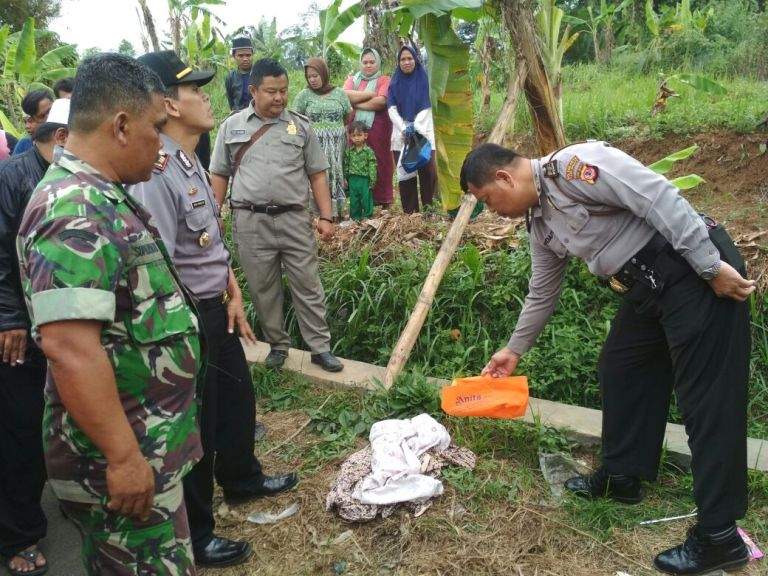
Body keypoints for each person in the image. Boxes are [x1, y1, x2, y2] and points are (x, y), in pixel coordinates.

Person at [460, 141, 755, 576]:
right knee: (622, 367)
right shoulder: (540, 223)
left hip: (693, 270)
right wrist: (513, 349)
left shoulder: (574, 168)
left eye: (487, 200)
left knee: (707, 402)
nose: (492, 211)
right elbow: (542, 291)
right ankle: (622, 478)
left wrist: (709, 265)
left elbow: (657, 195)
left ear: (503, 178)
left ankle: (719, 536)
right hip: (648, 288)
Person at [17, 53, 203, 576]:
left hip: (146, 449)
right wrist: (123, 458)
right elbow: (69, 348)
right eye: (156, 128)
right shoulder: (73, 209)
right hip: (119, 463)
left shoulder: (101, 195)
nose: (161, 142)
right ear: (121, 126)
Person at [131, 50, 298, 568]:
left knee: (235, 401)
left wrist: (232, 291)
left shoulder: (187, 158)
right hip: (186, 316)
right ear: (167, 104)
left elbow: (203, 242)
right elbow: (157, 258)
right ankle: (197, 533)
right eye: (194, 90)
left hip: (214, 306)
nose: (207, 96)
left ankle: (243, 479)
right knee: (196, 426)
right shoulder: (154, 169)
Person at [210, 58, 344, 373]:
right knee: (262, 287)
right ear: (253, 91)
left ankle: (319, 348)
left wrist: (326, 217)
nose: (279, 98)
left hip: (295, 219)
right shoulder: (232, 126)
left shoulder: (300, 126)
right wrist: (213, 216)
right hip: (250, 221)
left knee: (307, 284)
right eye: (271, 92)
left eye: (283, 91)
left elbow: (318, 174)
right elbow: (219, 174)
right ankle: (278, 346)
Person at [0, 98, 69, 576]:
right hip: (22, 328)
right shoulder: (17, 176)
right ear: (61, 137)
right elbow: (4, 253)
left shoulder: (71, 178)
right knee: (22, 431)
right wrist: (9, 320)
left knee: (56, 424)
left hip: (60, 326)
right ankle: (19, 533)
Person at [293, 57, 352, 219]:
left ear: (324, 74)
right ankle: (318, 214)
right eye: (309, 76)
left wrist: (334, 132)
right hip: (314, 146)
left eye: (316, 75)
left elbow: (348, 115)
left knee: (336, 174)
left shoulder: (339, 93)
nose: (312, 80)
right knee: (318, 175)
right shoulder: (303, 96)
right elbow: (294, 120)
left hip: (337, 145)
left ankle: (337, 213)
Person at [387, 45, 436, 214]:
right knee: (405, 173)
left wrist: (414, 127)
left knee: (427, 170)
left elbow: (426, 106)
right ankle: (410, 213)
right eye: (403, 59)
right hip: (401, 135)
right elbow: (391, 108)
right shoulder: (394, 82)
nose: (406, 62)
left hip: (423, 131)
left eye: (410, 58)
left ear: (415, 59)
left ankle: (429, 209)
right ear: (398, 62)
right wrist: (404, 128)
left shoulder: (424, 79)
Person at [343, 48, 394, 208]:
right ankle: (359, 199)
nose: (368, 65)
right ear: (360, 63)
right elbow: (344, 96)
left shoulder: (384, 79)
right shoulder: (352, 79)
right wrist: (371, 94)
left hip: (379, 129)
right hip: (355, 130)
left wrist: (355, 102)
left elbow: (381, 102)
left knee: (380, 161)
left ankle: (382, 198)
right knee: (356, 161)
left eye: (372, 62)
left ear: (378, 63)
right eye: (365, 62)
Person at [343, 121, 377, 221]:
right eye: (354, 135)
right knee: (354, 199)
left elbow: (372, 165)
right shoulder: (349, 151)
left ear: (365, 135)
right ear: (350, 137)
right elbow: (346, 165)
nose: (356, 138)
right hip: (353, 179)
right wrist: (345, 177)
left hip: (364, 179)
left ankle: (368, 216)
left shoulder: (368, 152)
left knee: (366, 198)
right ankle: (355, 217)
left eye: (359, 135)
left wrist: (372, 178)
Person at [11, 90, 53, 157]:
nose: (49, 117)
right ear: (33, 119)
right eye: (41, 116)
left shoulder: (71, 133)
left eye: (50, 111)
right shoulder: (25, 144)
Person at [225, 37, 254, 112]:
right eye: (241, 56)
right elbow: (231, 100)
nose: (245, 59)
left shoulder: (260, 74)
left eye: (248, 55)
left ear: (252, 55)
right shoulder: (230, 77)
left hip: (256, 114)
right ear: (234, 57)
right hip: (238, 115)